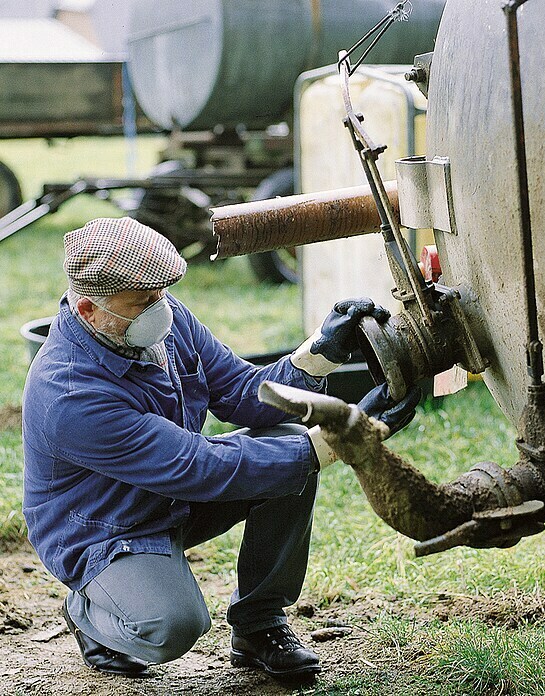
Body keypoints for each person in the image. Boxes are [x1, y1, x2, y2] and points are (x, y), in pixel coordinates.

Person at [22, 217, 420, 681]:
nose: (160, 309)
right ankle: (91, 612)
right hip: (103, 530)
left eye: (161, 294)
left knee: (288, 449)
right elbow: (198, 467)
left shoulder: (151, 322)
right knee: (172, 626)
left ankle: (259, 624)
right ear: (89, 310)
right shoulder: (69, 393)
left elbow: (240, 390)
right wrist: (341, 437)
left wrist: (319, 353)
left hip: (170, 495)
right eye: (143, 302)